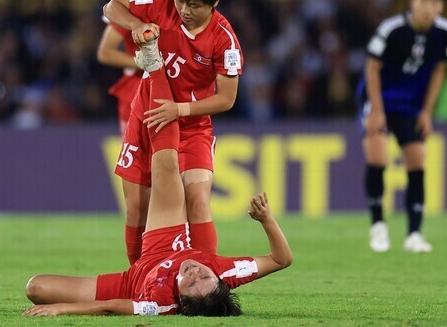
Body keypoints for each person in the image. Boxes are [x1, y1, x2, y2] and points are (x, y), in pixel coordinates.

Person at [23, 35, 292, 317]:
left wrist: (61, 309)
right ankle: (155, 63)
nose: (195, 274)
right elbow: (282, 259)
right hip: (167, 242)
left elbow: (110, 307)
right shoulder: (226, 271)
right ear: (220, 281)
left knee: (36, 288)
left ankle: (155, 84)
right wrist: (267, 220)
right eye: (205, 278)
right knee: (167, 166)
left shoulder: (160, 303)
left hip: (130, 283)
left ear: (181, 301)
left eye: (190, 284)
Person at [105, 0, 243, 264]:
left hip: (191, 126)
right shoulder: (161, 2)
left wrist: (179, 109)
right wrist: (137, 24)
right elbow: (112, 6)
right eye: (182, 1)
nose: (185, 11)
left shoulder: (225, 41)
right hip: (147, 117)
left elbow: (226, 99)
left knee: (198, 203)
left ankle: (208, 283)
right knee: (136, 207)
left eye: (195, 6)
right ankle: (140, 279)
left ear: (214, 2)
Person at [97, 0, 190, 266]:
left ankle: (173, 260)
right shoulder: (136, 2)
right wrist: (138, 61)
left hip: (176, 102)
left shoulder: (190, 5)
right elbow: (105, 51)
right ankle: (139, 267)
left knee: (177, 184)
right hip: (138, 97)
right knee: (139, 188)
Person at [358, 0, 447, 253]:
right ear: (412, 1)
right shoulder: (392, 29)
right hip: (380, 99)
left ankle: (414, 233)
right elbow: (372, 67)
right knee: (378, 157)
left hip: (411, 105)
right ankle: (378, 226)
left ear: (441, 7)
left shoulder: (446, 32)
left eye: (434, 3)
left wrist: (427, 111)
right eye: (424, 1)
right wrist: (376, 110)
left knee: (417, 161)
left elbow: (439, 70)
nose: (428, 7)